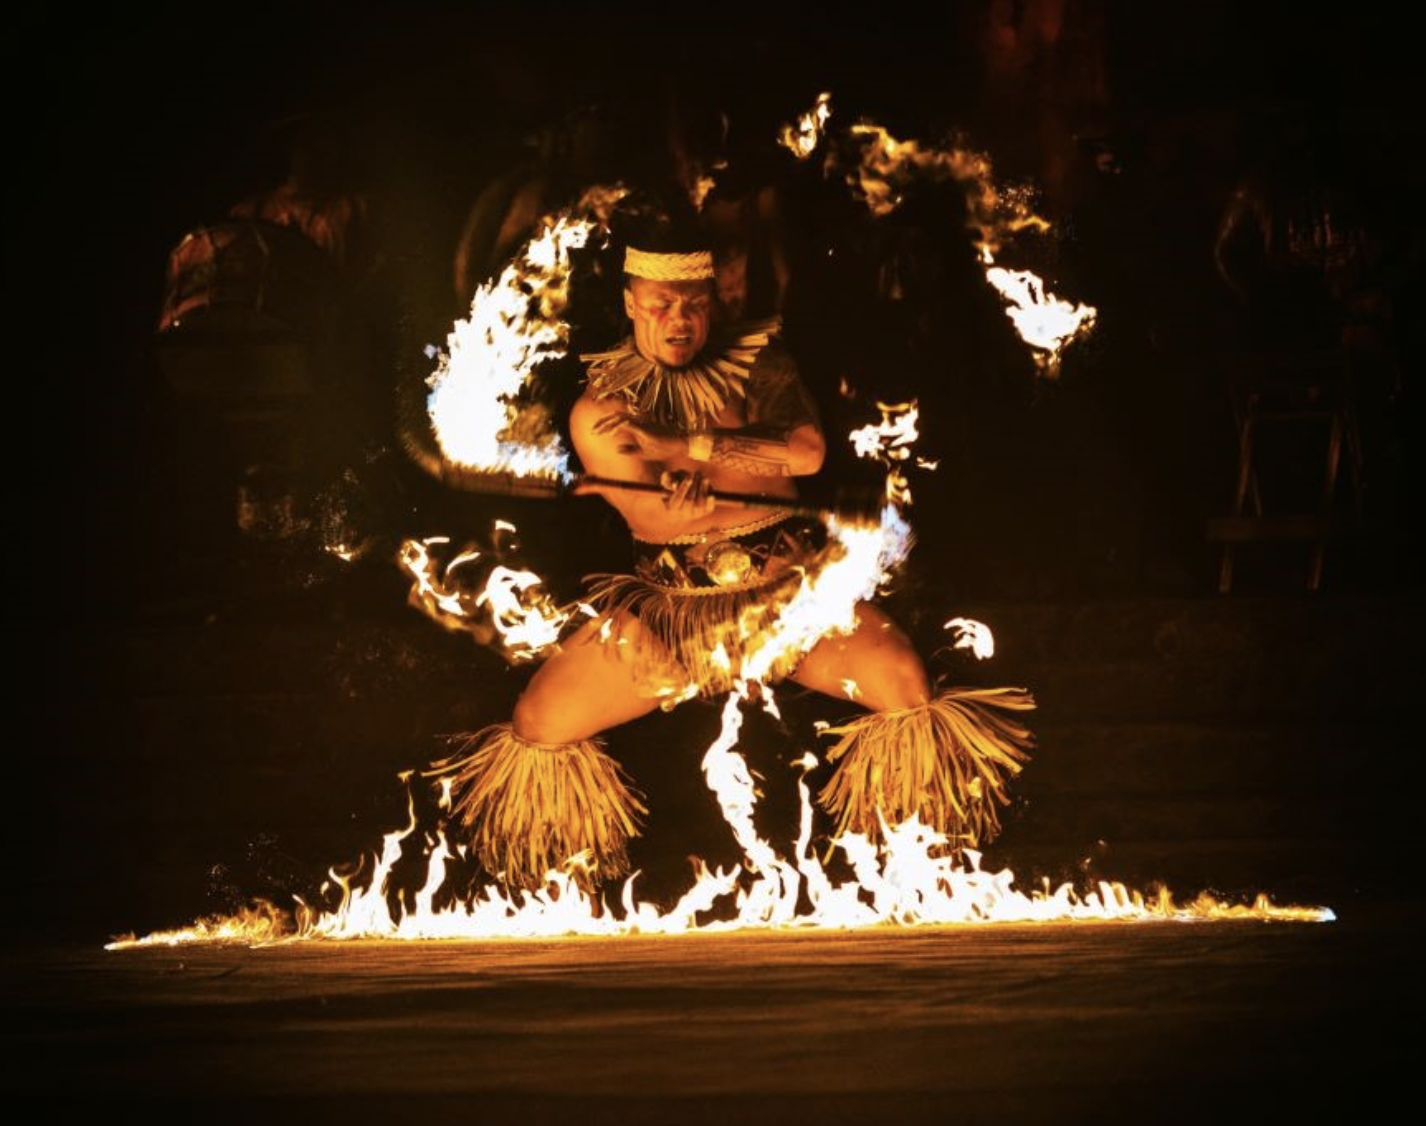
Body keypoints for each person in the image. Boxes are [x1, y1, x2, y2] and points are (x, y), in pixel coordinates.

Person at [430, 228, 1035, 889]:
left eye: (693, 304)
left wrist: (692, 448)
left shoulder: (762, 365)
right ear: (630, 302)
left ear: (712, 302)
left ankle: (930, 869)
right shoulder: (602, 408)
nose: (678, 321)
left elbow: (805, 453)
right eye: (660, 304)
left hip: (793, 604)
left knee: (902, 682)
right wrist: (676, 508)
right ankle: (548, 886)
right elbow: (649, 514)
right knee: (540, 719)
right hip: (673, 622)